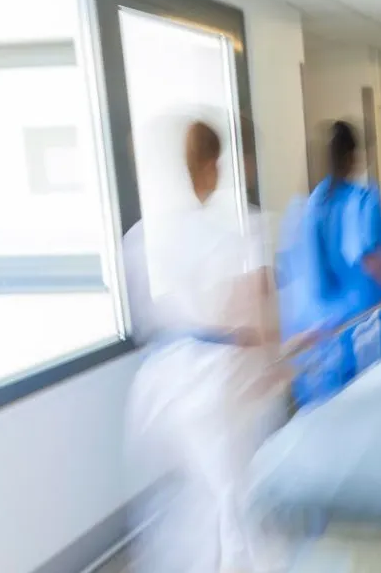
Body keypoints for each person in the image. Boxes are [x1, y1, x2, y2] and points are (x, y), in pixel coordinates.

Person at [124, 118, 289, 573]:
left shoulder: (142, 236)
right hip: (213, 383)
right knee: (231, 495)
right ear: (214, 165)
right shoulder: (227, 237)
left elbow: (150, 318)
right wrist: (273, 362)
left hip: (161, 385)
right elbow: (248, 319)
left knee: (203, 493)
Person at [278, 121, 381, 405]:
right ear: (353, 157)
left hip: (319, 339)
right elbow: (369, 260)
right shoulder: (364, 201)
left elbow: (296, 275)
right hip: (361, 330)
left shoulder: (305, 208)